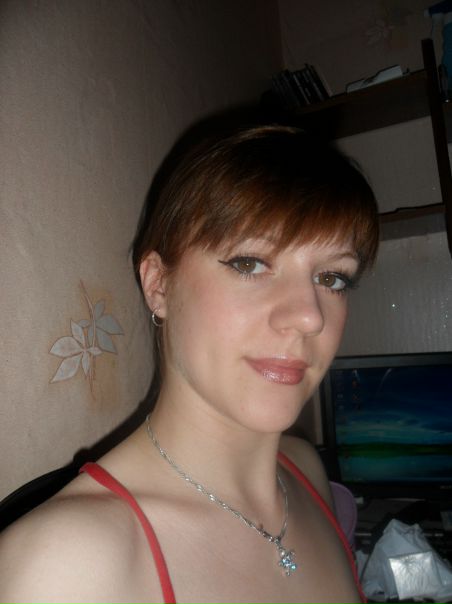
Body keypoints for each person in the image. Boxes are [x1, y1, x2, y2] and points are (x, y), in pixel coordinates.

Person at [0, 123, 378, 603]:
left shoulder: (305, 469)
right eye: (249, 263)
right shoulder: (63, 567)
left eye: (333, 278)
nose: (309, 316)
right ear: (159, 285)